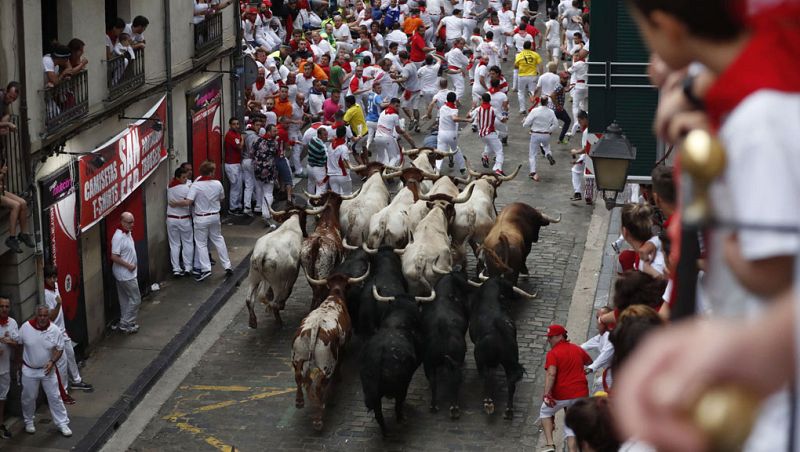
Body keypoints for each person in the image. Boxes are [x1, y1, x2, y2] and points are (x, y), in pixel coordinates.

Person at [172, 161, 233, 281]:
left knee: (201, 244)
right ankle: (227, 265)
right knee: (218, 239)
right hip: (215, 216)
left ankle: (206, 269)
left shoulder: (196, 185)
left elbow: (188, 202)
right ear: (211, 172)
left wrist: (175, 203)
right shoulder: (217, 184)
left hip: (201, 217)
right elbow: (222, 198)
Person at [19, 305, 72, 437]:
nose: (42, 318)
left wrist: (52, 361)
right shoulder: (25, 327)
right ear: (36, 315)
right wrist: (18, 365)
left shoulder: (55, 330)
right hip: (29, 370)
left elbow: (60, 348)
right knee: (29, 397)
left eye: (45, 315)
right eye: (40, 315)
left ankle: (62, 423)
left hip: (48, 371)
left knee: (55, 396)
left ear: (49, 316)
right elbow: (19, 345)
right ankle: (29, 421)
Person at [540, 324, 592, 452]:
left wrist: (546, 394)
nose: (548, 340)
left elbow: (551, 374)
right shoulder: (577, 349)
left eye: (550, 337)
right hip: (581, 394)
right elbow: (590, 362)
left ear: (559, 336)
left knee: (545, 412)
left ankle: (550, 444)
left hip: (561, 394)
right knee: (571, 425)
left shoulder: (553, 353)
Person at [43, 265, 92, 397]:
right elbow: (51, 317)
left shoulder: (57, 286)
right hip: (54, 333)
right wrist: (58, 304)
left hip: (62, 330)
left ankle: (76, 380)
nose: (53, 280)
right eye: (49, 278)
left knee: (70, 354)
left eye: (54, 277)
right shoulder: (46, 295)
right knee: (62, 363)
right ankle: (63, 391)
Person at [110, 212, 141, 333]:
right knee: (136, 299)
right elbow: (114, 256)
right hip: (126, 275)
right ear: (122, 222)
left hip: (125, 274)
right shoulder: (118, 237)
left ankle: (126, 322)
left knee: (125, 300)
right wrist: (129, 266)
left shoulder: (127, 233)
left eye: (132, 222)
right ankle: (126, 323)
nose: (132, 225)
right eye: (129, 222)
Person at [0, 157, 34, 253]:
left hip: (2, 192)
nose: (6, 167)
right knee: (16, 205)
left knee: (23, 203)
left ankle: (24, 233)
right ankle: (11, 237)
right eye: (4, 166)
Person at [522, 96, 558, 181]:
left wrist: (525, 123)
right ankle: (548, 154)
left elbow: (527, 123)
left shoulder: (535, 111)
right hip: (546, 134)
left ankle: (533, 172)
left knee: (532, 154)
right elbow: (556, 124)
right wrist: (549, 130)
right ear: (547, 103)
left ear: (540, 102)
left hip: (535, 134)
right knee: (546, 146)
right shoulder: (551, 112)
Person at [435, 91, 472, 174]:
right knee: (455, 150)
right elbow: (454, 118)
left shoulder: (442, 108)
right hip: (451, 134)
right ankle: (462, 168)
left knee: (440, 152)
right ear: (454, 100)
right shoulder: (454, 110)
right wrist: (467, 120)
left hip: (441, 134)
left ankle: (437, 170)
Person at [167, 167, 194, 276]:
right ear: (178, 177)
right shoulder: (186, 188)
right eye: (183, 177)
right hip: (184, 219)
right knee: (187, 243)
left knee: (174, 245)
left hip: (171, 219)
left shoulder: (169, 187)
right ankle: (188, 267)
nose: (185, 179)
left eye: (186, 177)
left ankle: (176, 269)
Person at [372, 97, 415, 165]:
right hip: (387, 138)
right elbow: (398, 130)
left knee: (380, 158)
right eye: (396, 106)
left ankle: (379, 171)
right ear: (391, 104)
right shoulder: (395, 115)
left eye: (398, 106)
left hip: (377, 137)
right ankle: (389, 172)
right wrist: (403, 132)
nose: (397, 108)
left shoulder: (382, 112)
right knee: (394, 158)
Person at [472, 92, 506, 175]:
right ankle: (498, 168)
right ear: (490, 100)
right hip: (490, 133)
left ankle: (485, 155)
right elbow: (502, 120)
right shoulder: (493, 110)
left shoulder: (478, 109)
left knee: (489, 144)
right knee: (499, 151)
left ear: (482, 100)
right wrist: (505, 116)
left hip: (482, 134)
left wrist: (472, 108)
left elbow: (468, 116)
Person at [0, 296, 18, 439]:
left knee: (2, 398)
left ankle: (0, 424)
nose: (4, 309)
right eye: (2, 306)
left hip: (5, 368)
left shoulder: (12, 323)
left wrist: (10, 342)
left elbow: (17, 343)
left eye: (6, 306)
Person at [242, 114, 265, 216]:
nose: (259, 126)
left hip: (244, 161)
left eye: (260, 125)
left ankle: (247, 206)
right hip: (251, 161)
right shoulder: (253, 137)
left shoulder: (245, 134)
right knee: (258, 185)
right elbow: (254, 151)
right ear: (253, 125)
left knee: (248, 185)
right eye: (257, 125)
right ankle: (258, 206)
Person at [515, 41, 542, 114]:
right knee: (532, 91)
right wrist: (541, 74)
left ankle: (522, 109)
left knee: (521, 92)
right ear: (530, 47)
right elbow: (540, 65)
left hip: (522, 75)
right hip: (532, 75)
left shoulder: (519, 55)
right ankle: (534, 108)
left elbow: (516, 66)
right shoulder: (535, 54)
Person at [223, 118, 244, 215]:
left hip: (236, 163)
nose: (236, 126)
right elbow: (239, 146)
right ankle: (233, 208)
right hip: (231, 165)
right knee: (235, 186)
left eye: (237, 124)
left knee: (238, 186)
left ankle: (238, 205)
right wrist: (242, 139)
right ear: (230, 125)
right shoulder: (231, 135)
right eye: (234, 124)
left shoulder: (236, 134)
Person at [326, 125, 355, 195]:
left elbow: (335, 155)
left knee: (336, 198)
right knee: (348, 195)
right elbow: (345, 164)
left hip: (332, 176)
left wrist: (348, 152)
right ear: (345, 135)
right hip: (343, 175)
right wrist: (356, 167)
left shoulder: (330, 145)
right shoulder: (343, 148)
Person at [306, 127, 330, 195]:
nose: (326, 137)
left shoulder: (312, 139)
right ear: (319, 135)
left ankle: (310, 202)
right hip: (319, 169)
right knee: (321, 188)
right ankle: (318, 204)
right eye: (325, 135)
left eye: (327, 135)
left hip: (309, 167)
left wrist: (329, 140)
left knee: (311, 184)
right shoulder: (322, 148)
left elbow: (322, 141)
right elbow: (327, 159)